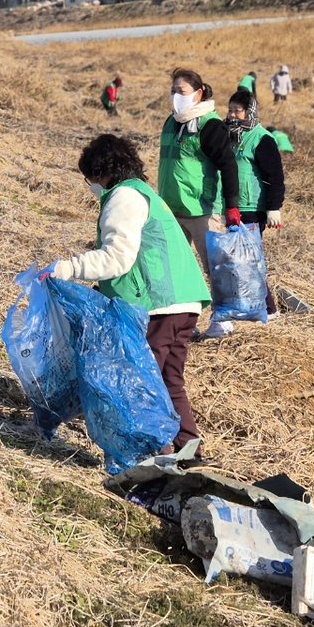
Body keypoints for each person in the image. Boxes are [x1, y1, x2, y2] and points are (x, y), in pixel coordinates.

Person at [48, 134, 212, 455]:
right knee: (168, 379)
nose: (91, 186)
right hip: (184, 302)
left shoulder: (123, 197)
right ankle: (189, 450)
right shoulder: (145, 193)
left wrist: (66, 268)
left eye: (91, 178)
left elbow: (117, 257)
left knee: (140, 382)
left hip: (157, 305)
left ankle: (158, 456)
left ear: (103, 171)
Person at [157, 68, 240, 336]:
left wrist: (232, 205)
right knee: (175, 269)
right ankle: (183, 322)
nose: (175, 96)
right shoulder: (171, 123)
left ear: (199, 93)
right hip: (171, 209)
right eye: (173, 91)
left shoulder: (210, 126)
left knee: (214, 267)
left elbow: (228, 165)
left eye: (181, 91)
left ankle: (223, 319)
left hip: (202, 210)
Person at [225, 88, 284, 319]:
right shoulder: (229, 135)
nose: (232, 115)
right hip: (231, 205)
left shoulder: (262, 139)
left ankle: (268, 308)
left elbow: (275, 176)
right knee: (235, 258)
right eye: (230, 110)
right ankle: (247, 305)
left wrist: (274, 207)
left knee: (249, 258)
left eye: (238, 111)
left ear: (249, 112)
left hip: (252, 207)